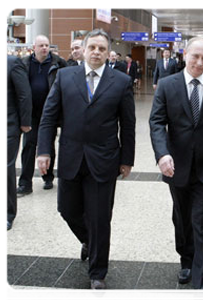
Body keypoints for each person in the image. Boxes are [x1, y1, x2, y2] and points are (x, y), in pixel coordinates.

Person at [36, 29, 136, 298]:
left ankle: (97, 273)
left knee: (100, 217)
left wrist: (127, 159)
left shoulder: (121, 81)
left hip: (104, 160)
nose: (96, 52)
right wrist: (44, 150)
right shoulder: (65, 76)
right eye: (92, 47)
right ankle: (89, 242)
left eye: (102, 49)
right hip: (70, 156)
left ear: (107, 52)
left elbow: (128, 124)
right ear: (83, 48)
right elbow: (48, 116)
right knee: (67, 209)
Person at [149, 36, 203, 300]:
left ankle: (202, 283)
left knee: (201, 222)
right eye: (195, 56)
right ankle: (186, 260)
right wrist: (162, 154)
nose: (199, 62)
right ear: (185, 55)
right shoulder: (167, 85)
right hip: (176, 167)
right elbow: (156, 123)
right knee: (181, 218)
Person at [17, 35, 67, 196]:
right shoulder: (24, 63)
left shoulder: (58, 63)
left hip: (50, 113)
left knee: (48, 145)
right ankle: (25, 183)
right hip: (30, 113)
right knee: (29, 145)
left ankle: (48, 177)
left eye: (47, 45)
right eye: (41, 45)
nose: (45, 48)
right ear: (34, 47)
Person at [5, 55, 32, 231]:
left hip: (8, 125)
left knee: (5, 167)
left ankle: (7, 213)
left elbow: (24, 94)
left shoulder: (12, 63)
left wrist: (25, 122)